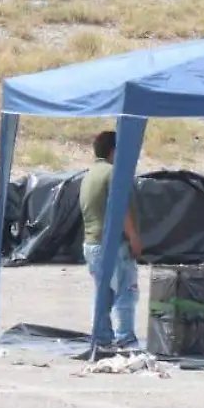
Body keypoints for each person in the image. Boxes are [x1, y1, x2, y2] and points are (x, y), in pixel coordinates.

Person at [80, 129, 144, 351]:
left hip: (91, 243)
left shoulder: (90, 174)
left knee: (104, 293)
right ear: (115, 151)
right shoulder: (114, 174)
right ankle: (126, 338)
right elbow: (121, 210)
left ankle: (102, 338)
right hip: (112, 245)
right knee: (127, 290)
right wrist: (134, 239)